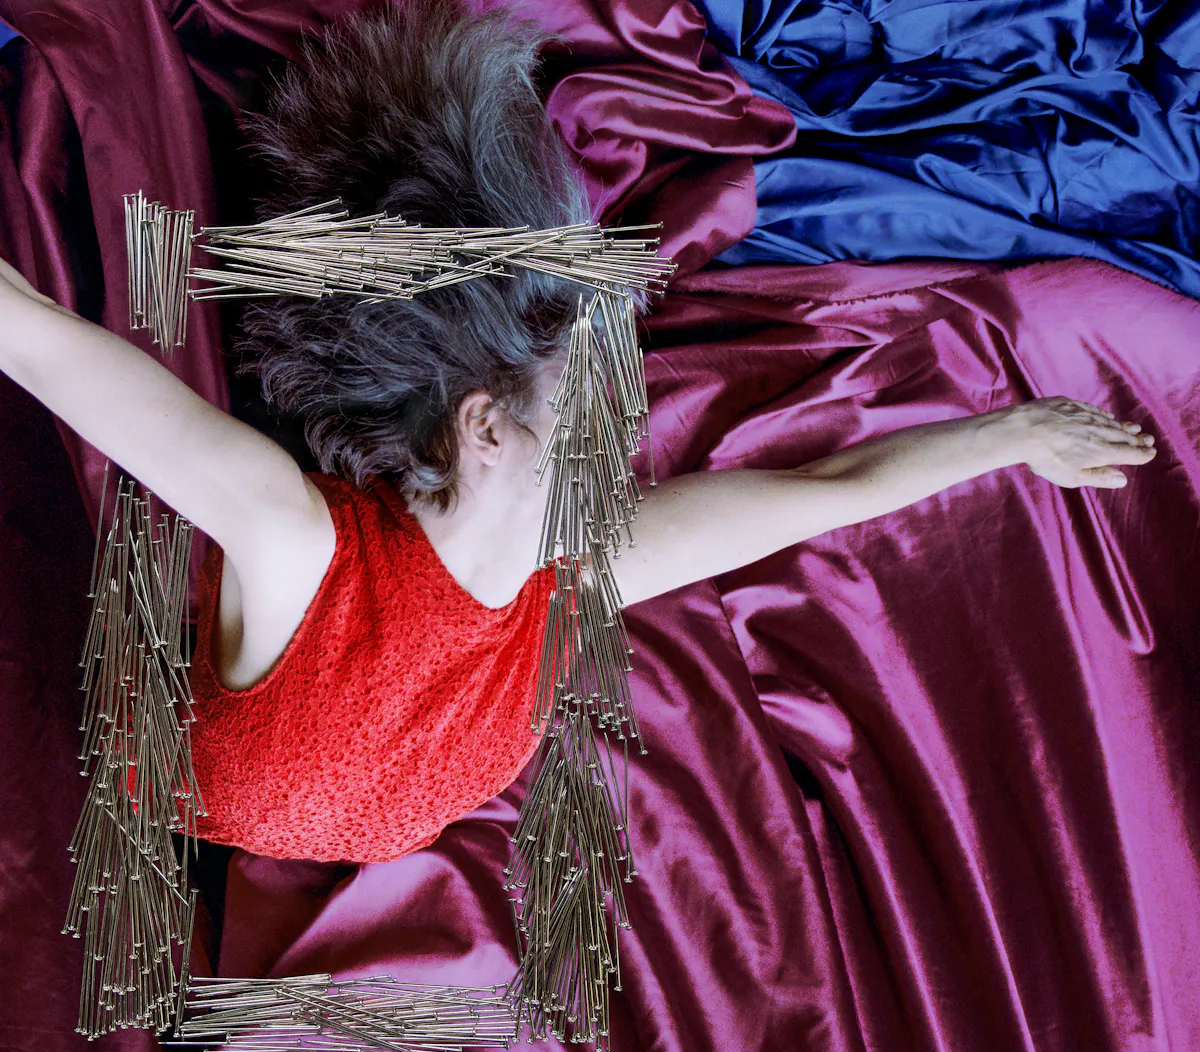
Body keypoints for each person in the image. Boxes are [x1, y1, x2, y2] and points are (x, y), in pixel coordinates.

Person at [0, 0, 1156, 863]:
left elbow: (831, 489)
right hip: (95, 778)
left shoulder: (583, 572)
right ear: (486, 428)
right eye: (593, 398)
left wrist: (1016, 436)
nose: (632, 417)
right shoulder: (293, 541)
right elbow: (36, 338)